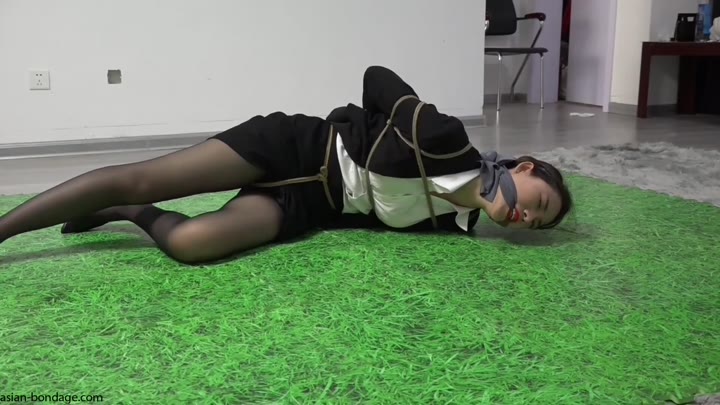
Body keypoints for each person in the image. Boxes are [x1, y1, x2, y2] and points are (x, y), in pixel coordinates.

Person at [0, 66, 572, 265]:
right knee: (146, 173)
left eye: (536, 224)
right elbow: (376, 77)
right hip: (293, 146)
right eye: (539, 203)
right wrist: (396, 118)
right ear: (524, 168)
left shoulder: (453, 225)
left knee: (193, 245)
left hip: (305, 204)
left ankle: (128, 211)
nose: (527, 217)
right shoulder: (446, 140)